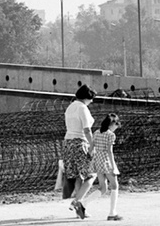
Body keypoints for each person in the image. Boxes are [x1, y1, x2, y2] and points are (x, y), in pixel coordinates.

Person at [63, 84, 97, 219]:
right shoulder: (83, 108)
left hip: (68, 144)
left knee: (78, 176)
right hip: (79, 143)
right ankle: (76, 202)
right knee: (91, 175)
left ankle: (80, 210)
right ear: (86, 97)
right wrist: (92, 145)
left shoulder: (70, 107)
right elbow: (87, 130)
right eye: (91, 98)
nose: (92, 101)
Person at [91, 113, 122, 221]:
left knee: (103, 188)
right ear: (113, 123)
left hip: (98, 160)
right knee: (114, 185)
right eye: (116, 124)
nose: (116, 127)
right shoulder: (110, 135)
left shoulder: (96, 132)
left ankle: (82, 203)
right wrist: (114, 167)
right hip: (106, 161)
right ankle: (112, 213)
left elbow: (92, 147)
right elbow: (109, 151)